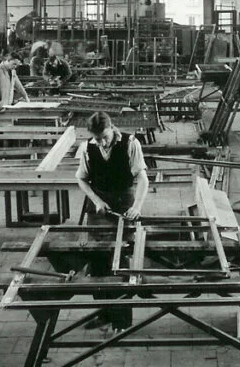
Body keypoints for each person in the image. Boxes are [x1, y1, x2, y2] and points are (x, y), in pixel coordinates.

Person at [75, 112, 150, 332]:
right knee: (97, 261)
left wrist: (137, 207)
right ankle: (104, 314)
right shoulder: (88, 147)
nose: (101, 143)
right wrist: (96, 200)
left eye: (104, 137)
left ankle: (122, 322)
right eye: (97, 139)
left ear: (112, 128)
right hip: (99, 208)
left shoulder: (130, 143)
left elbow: (143, 178)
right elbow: (80, 178)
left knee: (120, 262)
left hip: (123, 204)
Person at [0, 51, 29, 119]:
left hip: (7, 106)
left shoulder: (13, 71)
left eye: (17, 65)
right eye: (14, 64)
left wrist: (25, 96)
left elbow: (19, 86)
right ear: (8, 60)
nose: (15, 67)